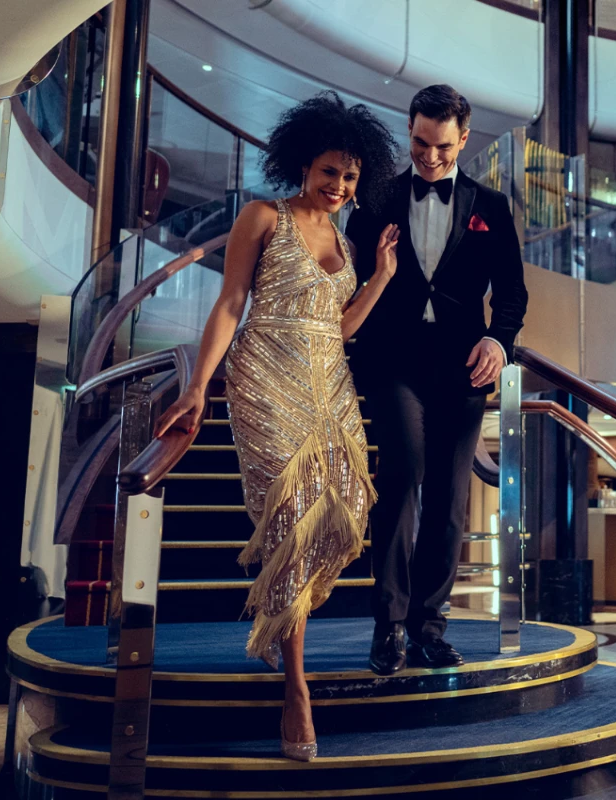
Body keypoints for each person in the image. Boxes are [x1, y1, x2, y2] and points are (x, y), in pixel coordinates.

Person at [153, 92, 400, 761]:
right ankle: (296, 685)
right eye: (329, 172)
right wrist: (200, 385)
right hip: (265, 374)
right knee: (290, 514)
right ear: (303, 163)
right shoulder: (263, 216)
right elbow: (232, 301)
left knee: (345, 506)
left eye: (350, 177)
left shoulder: (348, 243)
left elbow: (341, 327)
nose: (340, 186)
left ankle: (280, 620)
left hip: (330, 382)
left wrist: (378, 277)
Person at [346, 85, 528, 676]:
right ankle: (388, 626)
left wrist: (499, 343)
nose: (428, 157)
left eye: (442, 147)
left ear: (465, 139)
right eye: (420, 143)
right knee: (401, 480)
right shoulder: (375, 198)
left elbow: (512, 296)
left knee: (451, 502)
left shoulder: (492, 208)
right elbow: (348, 282)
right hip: (394, 360)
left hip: (463, 366)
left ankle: (429, 626)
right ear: (410, 129)